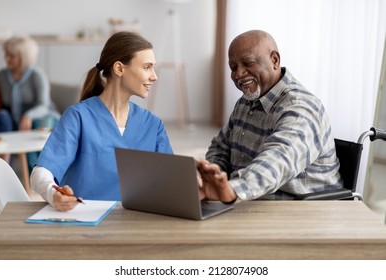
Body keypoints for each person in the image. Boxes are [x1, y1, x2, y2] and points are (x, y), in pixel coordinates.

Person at [30, 31, 173, 211]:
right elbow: (40, 173)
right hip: (85, 223)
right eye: (147, 67)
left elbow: (171, 182)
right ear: (119, 68)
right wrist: (54, 194)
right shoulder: (79, 117)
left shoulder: (153, 125)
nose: (154, 76)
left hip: (137, 224)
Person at [196, 30, 342, 203]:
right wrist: (214, 176)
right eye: (233, 67)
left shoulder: (301, 108)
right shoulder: (245, 102)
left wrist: (234, 189)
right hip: (248, 202)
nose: (239, 74)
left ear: (274, 60)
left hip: (301, 211)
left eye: (248, 63)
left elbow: (277, 161)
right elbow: (221, 146)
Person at [0, 35, 59, 167]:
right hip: (14, 119)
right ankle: (5, 168)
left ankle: (38, 174)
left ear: (23, 57)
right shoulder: (1, 75)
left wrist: (28, 116)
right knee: (2, 116)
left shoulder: (37, 75)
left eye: (11, 56)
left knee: (35, 127)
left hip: (40, 115)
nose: (6, 58)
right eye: (6, 54)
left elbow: (44, 104)